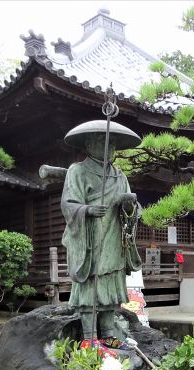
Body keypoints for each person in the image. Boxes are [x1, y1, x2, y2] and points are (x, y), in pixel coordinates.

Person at [61, 123, 142, 346]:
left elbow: (132, 210)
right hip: (89, 236)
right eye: (103, 141)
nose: (110, 147)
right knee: (91, 283)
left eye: (113, 143)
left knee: (111, 283)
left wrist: (129, 206)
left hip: (114, 235)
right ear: (88, 144)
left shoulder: (119, 175)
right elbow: (68, 204)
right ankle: (89, 337)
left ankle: (107, 331)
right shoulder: (77, 171)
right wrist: (87, 210)